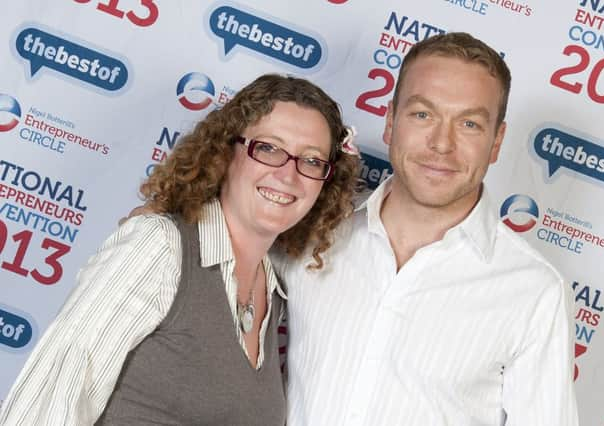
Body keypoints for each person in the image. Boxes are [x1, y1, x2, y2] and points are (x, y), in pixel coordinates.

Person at [0, 74, 360, 425]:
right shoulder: (158, 247)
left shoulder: (273, 293)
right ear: (224, 151)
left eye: (311, 160)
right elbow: (50, 400)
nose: (288, 174)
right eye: (268, 148)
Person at [274, 32, 579, 425]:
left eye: (469, 123)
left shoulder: (535, 291)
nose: (441, 144)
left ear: (497, 142)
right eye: (423, 115)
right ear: (390, 122)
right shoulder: (312, 228)